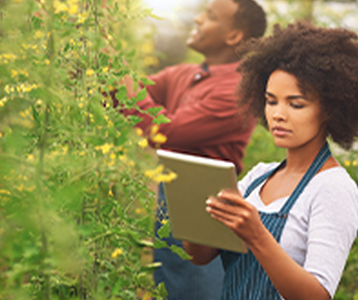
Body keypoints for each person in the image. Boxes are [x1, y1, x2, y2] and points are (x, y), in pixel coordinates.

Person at [182, 22, 358, 300]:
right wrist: (199, 217)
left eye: (296, 104)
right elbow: (199, 256)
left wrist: (257, 235)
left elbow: (318, 295)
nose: (278, 114)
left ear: (329, 108)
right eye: (271, 101)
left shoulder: (333, 189)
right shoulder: (258, 177)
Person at [121, 0, 267, 299]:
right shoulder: (186, 73)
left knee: (195, 289)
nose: (198, 19)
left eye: (210, 16)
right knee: (168, 285)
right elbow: (137, 90)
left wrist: (117, 80)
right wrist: (98, 68)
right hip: (171, 193)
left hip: (206, 204)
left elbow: (166, 131)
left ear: (234, 36)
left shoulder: (238, 91)